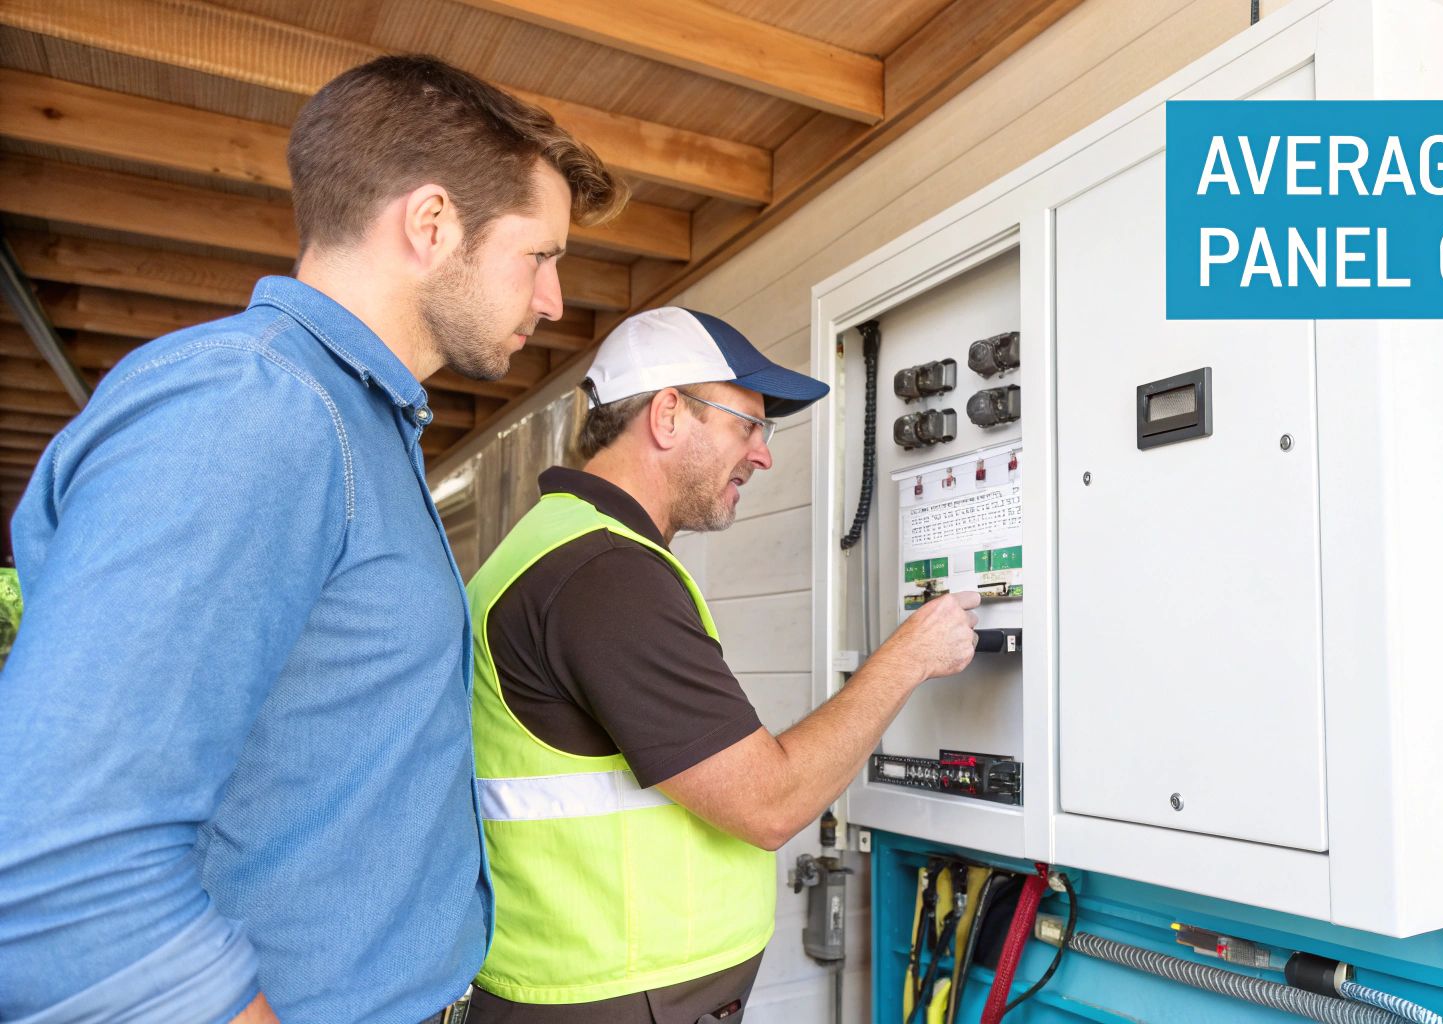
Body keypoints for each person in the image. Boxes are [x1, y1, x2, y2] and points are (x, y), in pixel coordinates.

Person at [0, 55, 625, 1024]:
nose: (552, 300)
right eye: (540, 255)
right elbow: (60, 872)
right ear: (431, 223)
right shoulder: (255, 407)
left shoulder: (352, 422)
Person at [464, 307, 979, 1023]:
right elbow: (769, 804)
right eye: (747, 426)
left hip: (595, 986)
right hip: (610, 997)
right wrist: (909, 658)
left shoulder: (565, 546)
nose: (763, 456)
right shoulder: (603, 574)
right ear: (668, 414)